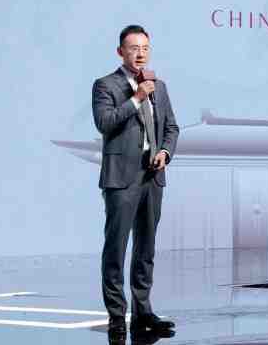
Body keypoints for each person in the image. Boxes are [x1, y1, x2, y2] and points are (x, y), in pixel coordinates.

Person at [92, 25, 179, 340]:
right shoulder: (105, 85)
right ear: (121, 52)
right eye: (133, 48)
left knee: (146, 248)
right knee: (116, 248)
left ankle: (143, 312)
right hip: (121, 178)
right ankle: (117, 315)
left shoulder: (160, 86)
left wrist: (165, 152)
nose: (140, 54)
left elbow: (171, 127)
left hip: (152, 177)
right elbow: (105, 123)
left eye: (145, 48)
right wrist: (137, 97)